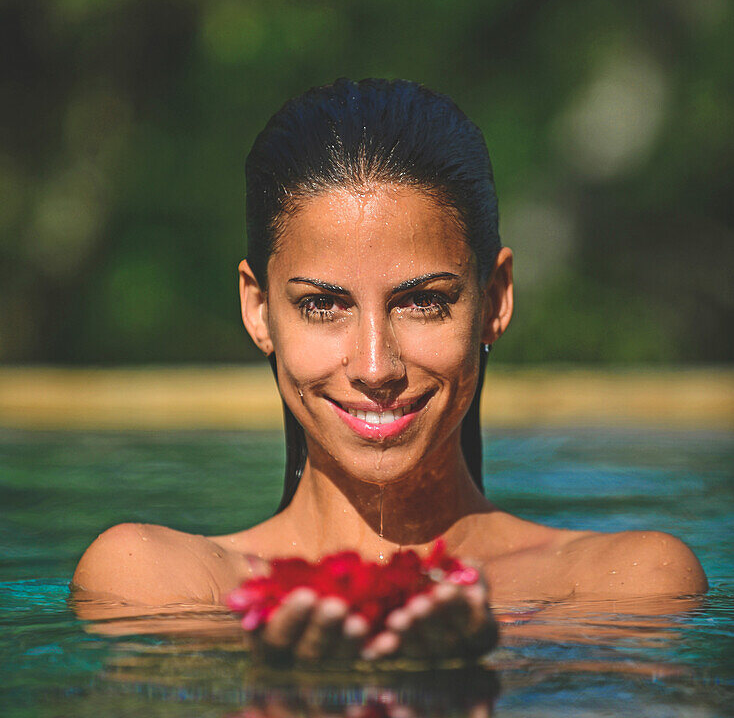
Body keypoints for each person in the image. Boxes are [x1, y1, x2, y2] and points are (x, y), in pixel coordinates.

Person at [72, 78, 707, 659]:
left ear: (495, 300)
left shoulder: (629, 585)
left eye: (424, 302)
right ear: (259, 309)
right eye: (323, 306)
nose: (376, 367)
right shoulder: (153, 579)